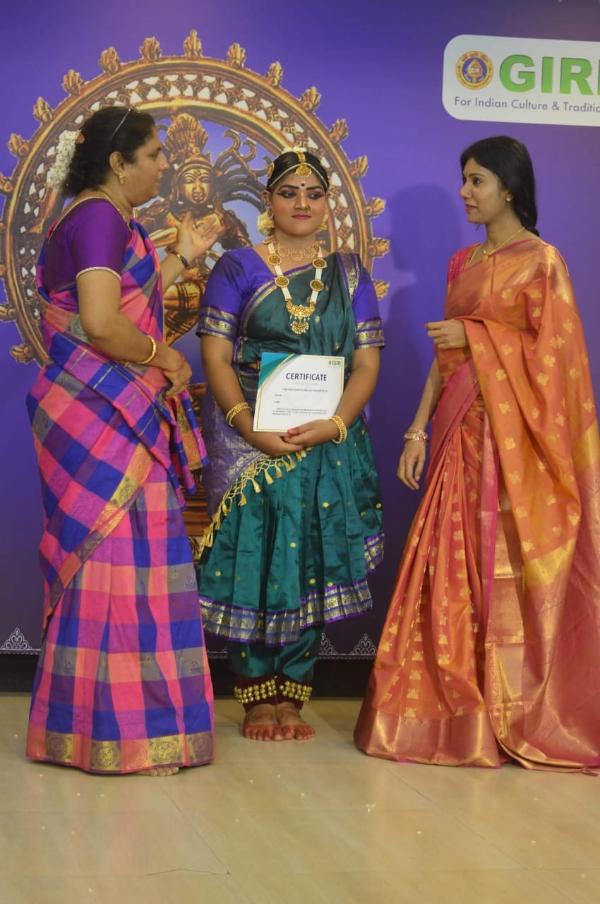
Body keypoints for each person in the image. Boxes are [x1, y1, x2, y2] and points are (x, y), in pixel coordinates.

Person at [355, 136, 600, 770]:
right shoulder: (462, 262)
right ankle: (453, 714)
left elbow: (559, 363)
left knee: (503, 569)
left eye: (476, 180)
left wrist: (475, 334)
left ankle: (512, 710)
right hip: (457, 435)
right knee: (448, 566)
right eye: (463, 180)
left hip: (515, 448)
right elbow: (445, 358)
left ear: (508, 188)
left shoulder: (543, 262)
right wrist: (416, 429)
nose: (465, 192)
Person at [26, 106, 222, 775]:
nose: (165, 165)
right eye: (155, 154)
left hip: (105, 412)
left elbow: (124, 300)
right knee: (117, 564)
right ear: (119, 162)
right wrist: (165, 358)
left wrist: (180, 259)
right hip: (104, 414)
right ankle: (125, 735)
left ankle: (96, 730)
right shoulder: (100, 219)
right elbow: (104, 325)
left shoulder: (100, 219)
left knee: (123, 565)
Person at [196, 148, 384, 741]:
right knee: (253, 557)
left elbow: (366, 363)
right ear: (268, 202)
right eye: (288, 191)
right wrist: (247, 425)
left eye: (314, 193)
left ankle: (293, 694)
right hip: (250, 439)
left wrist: (336, 424)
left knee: (308, 557)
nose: (302, 203)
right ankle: (255, 694)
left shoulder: (349, 275)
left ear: (328, 205)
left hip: (324, 438)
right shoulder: (237, 267)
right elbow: (215, 356)